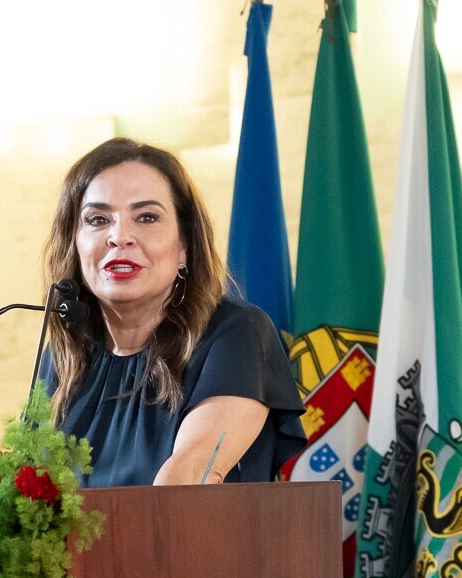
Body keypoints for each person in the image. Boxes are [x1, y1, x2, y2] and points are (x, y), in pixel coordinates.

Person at [39, 137, 306, 488]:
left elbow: (187, 479)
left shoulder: (235, 333)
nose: (119, 236)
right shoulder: (64, 355)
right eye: (98, 219)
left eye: (147, 217)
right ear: (74, 244)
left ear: (184, 246)